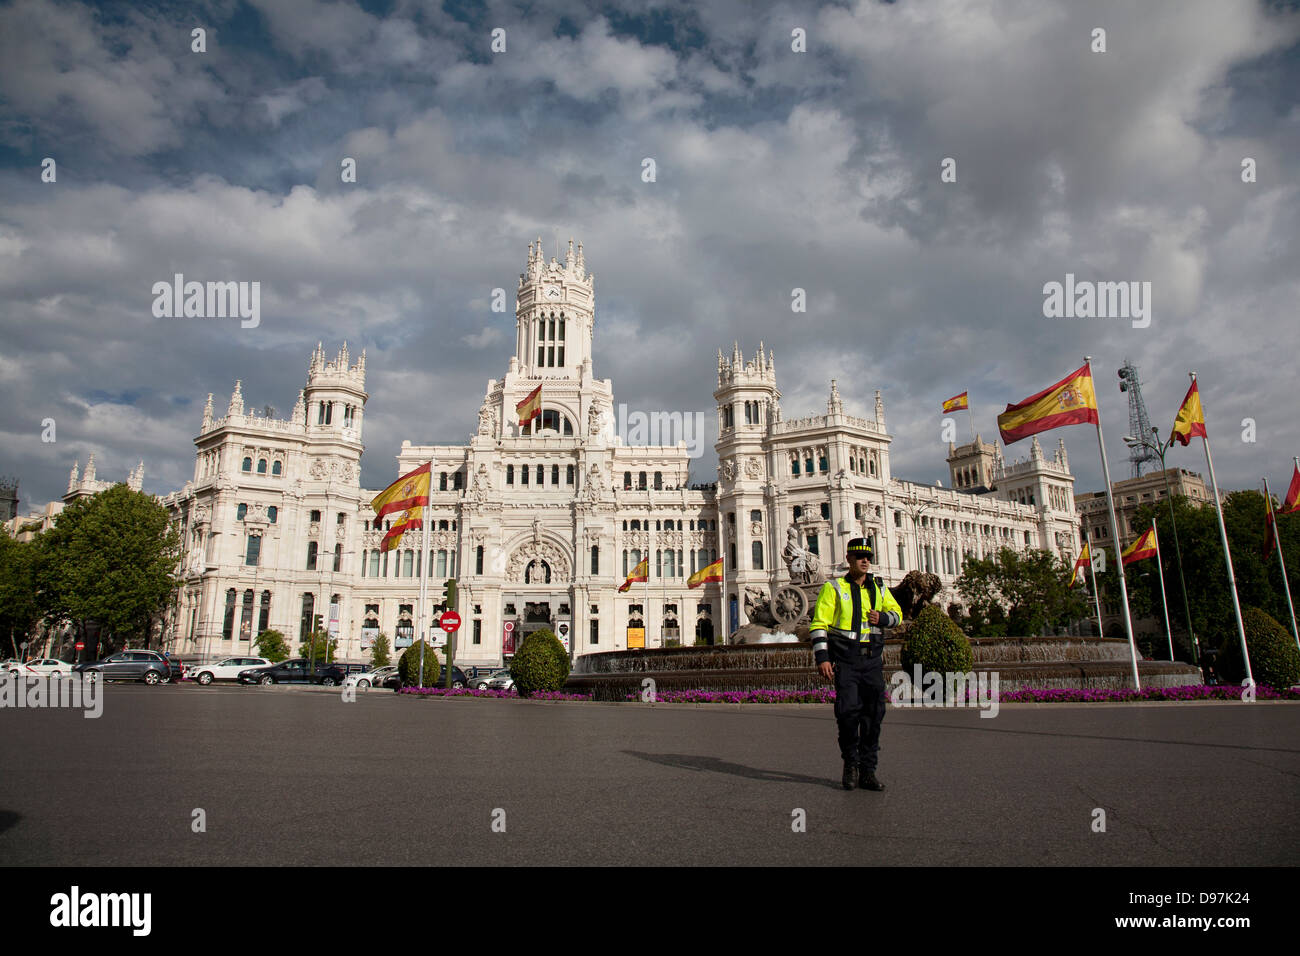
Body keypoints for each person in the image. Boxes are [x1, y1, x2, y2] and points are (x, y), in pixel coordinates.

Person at [809, 538, 903, 791]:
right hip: (847, 661)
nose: (865, 561)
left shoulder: (879, 588)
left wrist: (883, 617)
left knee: (873, 716)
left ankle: (868, 771)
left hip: (872, 661)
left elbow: (898, 615)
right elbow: (819, 624)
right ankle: (851, 764)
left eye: (868, 557)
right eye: (860, 557)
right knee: (848, 714)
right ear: (849, 560)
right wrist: (823, 658)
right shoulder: (834, 587)